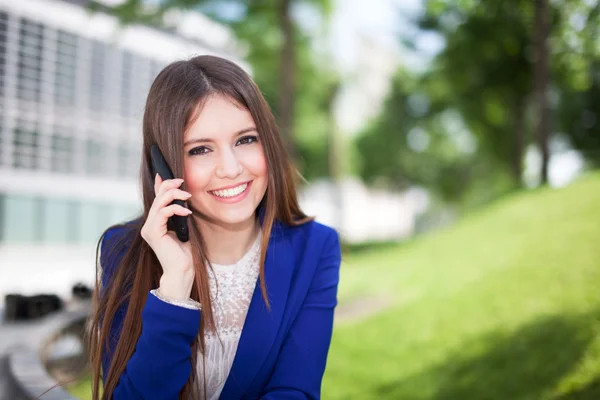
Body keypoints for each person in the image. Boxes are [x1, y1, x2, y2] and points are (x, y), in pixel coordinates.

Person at [87, 55, 342, 400]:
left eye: (246, 140)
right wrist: (174, 288)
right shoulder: (123, 250)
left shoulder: (314, 248)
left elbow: (294, 390)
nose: (231, 168)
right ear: (163, 165)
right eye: (201, 149)